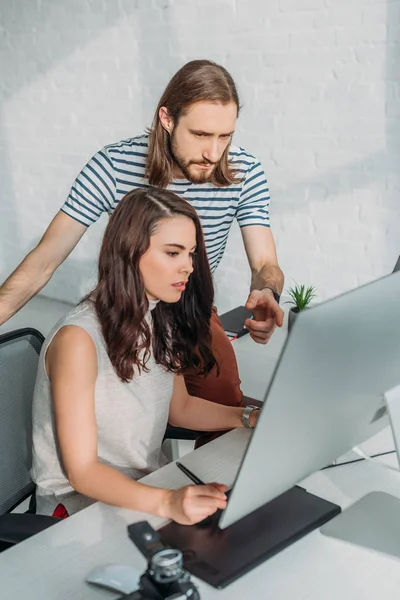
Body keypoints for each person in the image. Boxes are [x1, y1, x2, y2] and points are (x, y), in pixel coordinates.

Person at [0, 59, 284, 433]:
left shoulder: (245, 171)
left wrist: (266, 291)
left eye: (225, 137)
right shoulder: (111, 166)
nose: (214, 153)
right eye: (200, 135)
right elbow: (44, 260)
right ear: (167, 119)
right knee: (109, 423)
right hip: (126, 306)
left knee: (226, 407)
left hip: (190, 307)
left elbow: (265, 261)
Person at [31, 187, 259, 523]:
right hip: (79, 509)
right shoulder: (78, 340)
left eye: (191, 254)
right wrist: (167, 504)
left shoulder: (159, 318)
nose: (188, 267)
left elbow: (181, 409)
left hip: (147, 487)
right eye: (173, 253)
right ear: (129, 252)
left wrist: (247, 417)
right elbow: (83, 473)